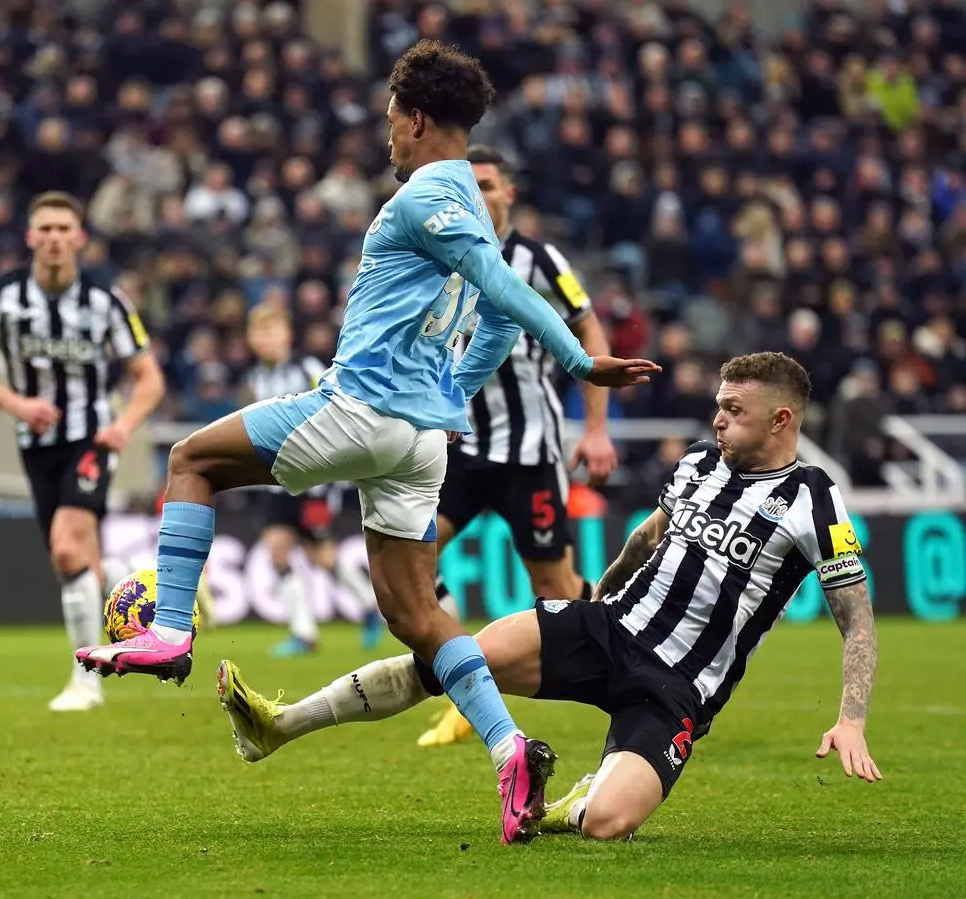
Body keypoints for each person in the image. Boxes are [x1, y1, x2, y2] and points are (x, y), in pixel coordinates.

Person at [76, 40, 658, 844]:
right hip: (423, 441)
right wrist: (454, 389)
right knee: (418, 615)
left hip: (360, 408)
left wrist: (576, 360)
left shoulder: (428, 195)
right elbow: (490, 312)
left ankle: (170, 627)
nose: (388, 136)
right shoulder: (469, 209)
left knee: (192, 460)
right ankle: (509, 746)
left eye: (391, 121)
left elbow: (502, 291)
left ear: (417, 120)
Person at [216, 353, 882, 842]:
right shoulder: (698, 465)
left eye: (734, 410)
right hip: (607, 627)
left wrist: (850, 717)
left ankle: (580, 798)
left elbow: (857, 621)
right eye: (719, 404)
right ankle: (280, 725)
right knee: (457, 656)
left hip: (678, 686)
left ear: (782, 418)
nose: (718, 418)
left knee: (607, 824)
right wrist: (600, 596)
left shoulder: (815, 499)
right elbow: (648, 537)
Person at [419, 144, 619, 748]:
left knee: (557, 592)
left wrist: (596, 427)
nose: (479, 195)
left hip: (530, 452)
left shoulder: (538, 258)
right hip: (463, 449)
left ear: (509, 194)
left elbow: (586, 324)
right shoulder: (439, 253)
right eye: (469, 184)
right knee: (410, 557)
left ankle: (634, 639)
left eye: (488, 184)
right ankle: (467, 678)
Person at [0, 191, 166, 713]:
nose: (53, 238)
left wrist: (122, 427)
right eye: (43, 228)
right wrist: (15, 403)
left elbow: (149, 379)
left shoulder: (105, 299)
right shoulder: (1, 293)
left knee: (68, 548)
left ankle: (85, 681)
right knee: (70, 559)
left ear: (79, 238)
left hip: (90, 438)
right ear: (30, 237)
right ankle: (128, 583)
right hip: (35, 444)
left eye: (62, 229)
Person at [241, 303, 384, 657]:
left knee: (321, 555)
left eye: (271, 331)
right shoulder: (254, 379)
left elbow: (335, 409)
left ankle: (369, 605)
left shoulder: (308, 369)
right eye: (259, 333)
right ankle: (304, 632)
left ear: (287, 335)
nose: (265, 340)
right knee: (277, 549)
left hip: (314, 480)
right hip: (276, 480)